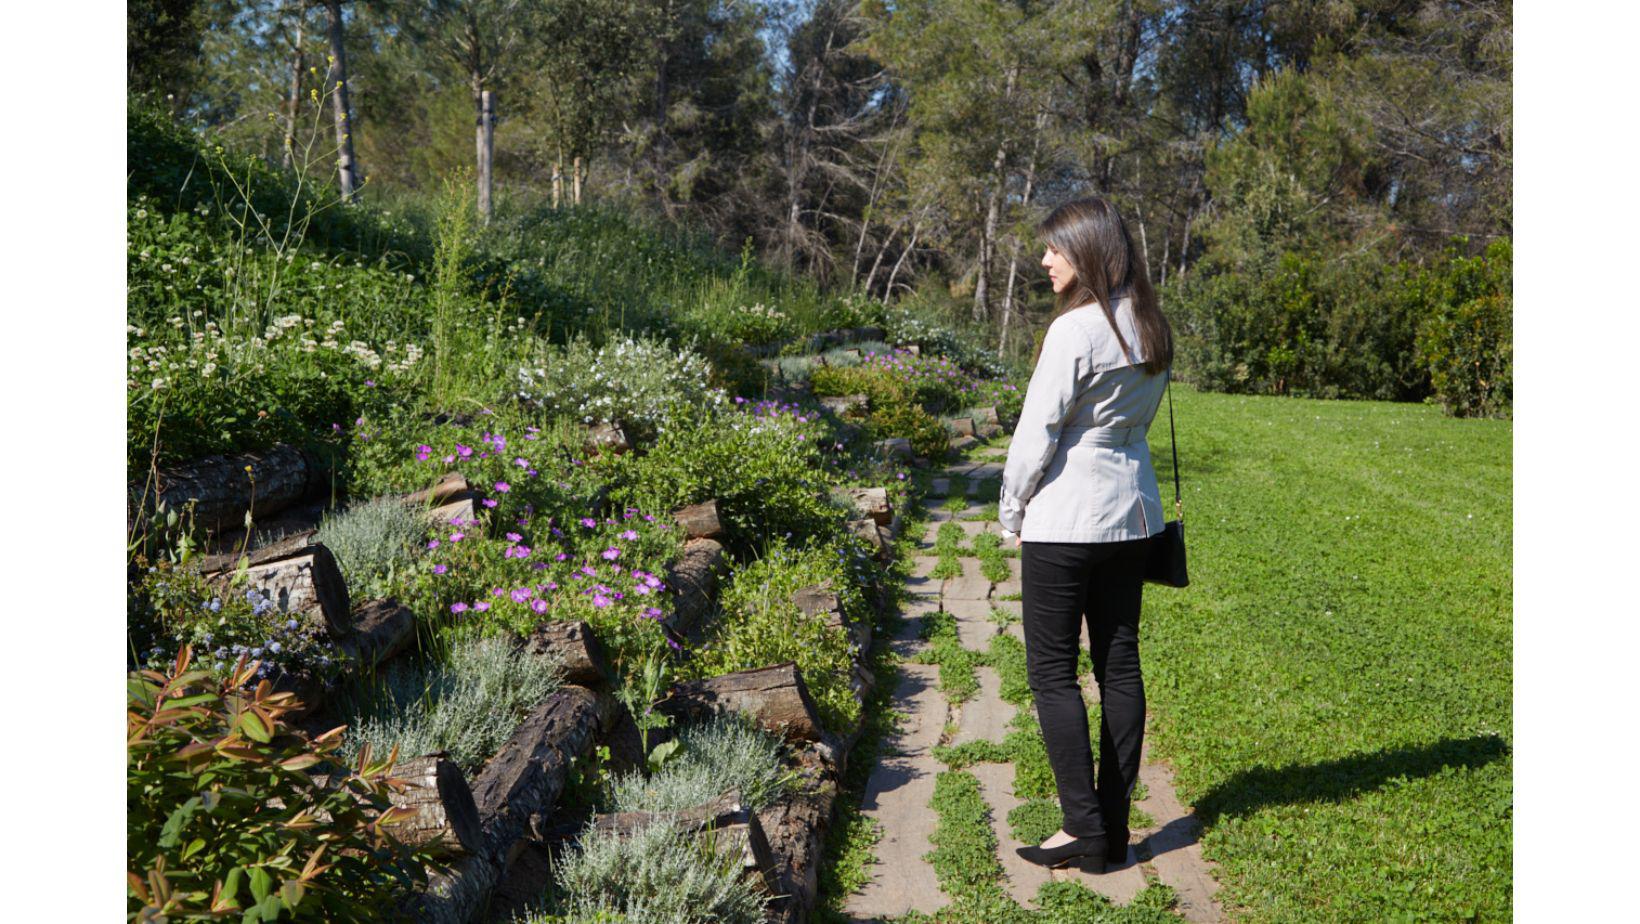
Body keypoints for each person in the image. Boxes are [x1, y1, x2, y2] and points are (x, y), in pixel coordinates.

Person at [999, 195, 1174, 875]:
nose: (1044, 260)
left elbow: (1035, 434)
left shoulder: (1075, 331)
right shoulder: (1150, 323)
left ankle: (1081, 828)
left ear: (1090, 252)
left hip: (1066, 516)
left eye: (1055, 249)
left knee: (1051, 671)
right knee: (1119, 664)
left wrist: (1012, 511)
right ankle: (1114, 828)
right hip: (1131, 514)